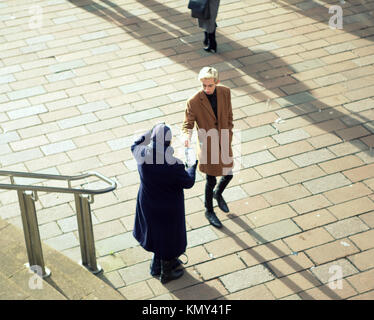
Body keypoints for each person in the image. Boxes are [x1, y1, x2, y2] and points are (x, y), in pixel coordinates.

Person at [131, 123, 197, 284]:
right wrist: (192, 165)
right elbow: (188, 182)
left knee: (156, 234)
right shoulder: (173, 165)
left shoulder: (142, 154)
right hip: (168, 208)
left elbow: (135, 144)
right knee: (169, 238)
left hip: (147, 203)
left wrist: (151, 130)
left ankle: (156, 267)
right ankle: (166, 272)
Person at [182, 66, 233, 229]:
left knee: (229, 173)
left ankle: (218, 194)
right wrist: (186, 136)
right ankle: (209, 210)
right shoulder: (194, 101)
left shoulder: (225, 92)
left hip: (224, 139)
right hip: (208, 145)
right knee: (210, 179)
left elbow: (229, 114)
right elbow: (188, 123)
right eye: (203, 85)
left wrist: (229, 130)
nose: (206, 89)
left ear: (217, 82)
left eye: (210, 85)